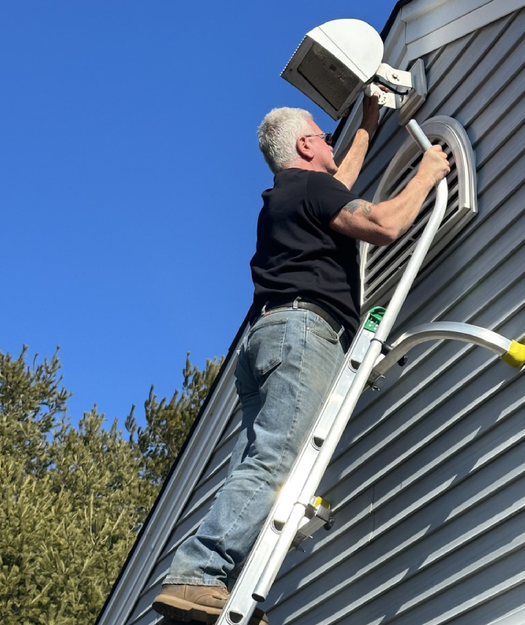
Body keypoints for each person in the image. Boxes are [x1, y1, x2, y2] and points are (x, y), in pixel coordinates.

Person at [151, 95, 450, 624]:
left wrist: (368, 126)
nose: (330, 142)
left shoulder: (290, 196)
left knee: (260, 463)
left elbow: (338, 185)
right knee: (276, 461)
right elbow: (382, 224)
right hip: (303, 332)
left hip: (267, 336)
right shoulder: (309, 189)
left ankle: (229, 590)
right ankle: (198, 575)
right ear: (307, 145)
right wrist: (427, 171)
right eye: (324, 136)